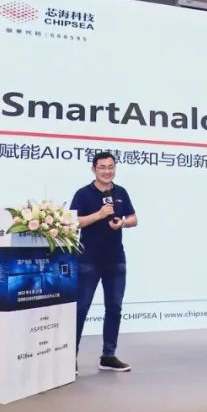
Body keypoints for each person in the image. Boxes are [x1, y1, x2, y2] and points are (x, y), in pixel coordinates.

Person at [70, 151, 138, 372]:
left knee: (114, 308)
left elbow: (134, 218)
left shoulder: (121, 192)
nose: (107, 171)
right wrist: (99, 215)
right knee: (81, 308)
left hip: (115, 259)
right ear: (94, 169)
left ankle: (108, 356)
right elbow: (73, 223)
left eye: (111, 167)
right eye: (102, 167)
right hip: (88, 259)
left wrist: (123, 223)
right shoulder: (83, 194)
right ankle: (69, 357)